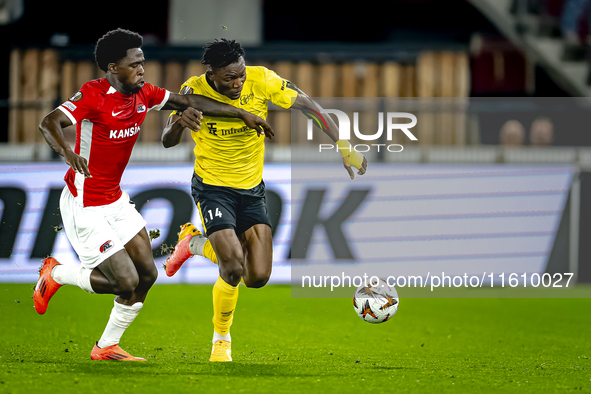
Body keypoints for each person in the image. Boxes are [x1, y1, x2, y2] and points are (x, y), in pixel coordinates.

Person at [34, 29, 273, 362]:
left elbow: (189, 101)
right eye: (135, 64)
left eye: (143, 62)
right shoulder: (92, 95)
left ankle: (106, 346)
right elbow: (50, 123)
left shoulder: (144, 93)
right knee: (124, 280)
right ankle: (56, 274)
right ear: (113, 67)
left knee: (147, 275)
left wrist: (241, 113)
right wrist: (66, 153)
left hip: (115, 201)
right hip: (84, 204)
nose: (142, 70)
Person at [161, 38, 368, 362]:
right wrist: (179, 124)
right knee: (232, 266)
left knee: (256, 277)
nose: (238, 82)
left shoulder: (262, 81)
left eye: (241, 74)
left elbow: (308, 105)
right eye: (230, 78)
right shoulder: (193, 90)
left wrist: (344, 146)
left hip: (252, 189)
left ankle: (192, 243)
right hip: (212, 187)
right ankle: (221, 341)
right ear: (212, 75)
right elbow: (167, 140)